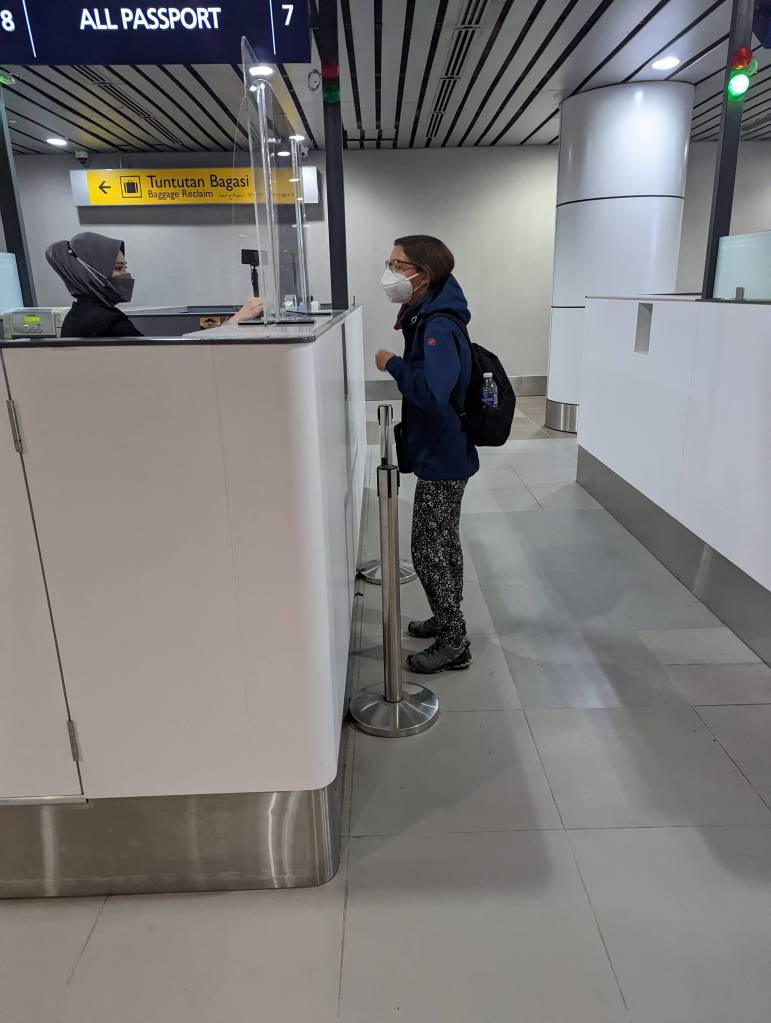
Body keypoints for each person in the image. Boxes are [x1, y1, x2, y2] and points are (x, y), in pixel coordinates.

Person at [375, 235, 479, 675]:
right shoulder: (427, 314)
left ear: (424, 273)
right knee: (443, 540)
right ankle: (446, 615)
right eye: (390, 263)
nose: (390, 274)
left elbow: (433, 394)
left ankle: (454, 641)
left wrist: (392, 364)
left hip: (443, 452)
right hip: (443, 447)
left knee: (426, 547)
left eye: (398, 265)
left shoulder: (437, 325)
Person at [45, 232, 264, 338]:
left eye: (125, 267)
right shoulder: (104, 321)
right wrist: (234, 322)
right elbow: (165, 357)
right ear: (91, 273)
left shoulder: (80, 315)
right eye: (118, 268)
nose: (126, 275)